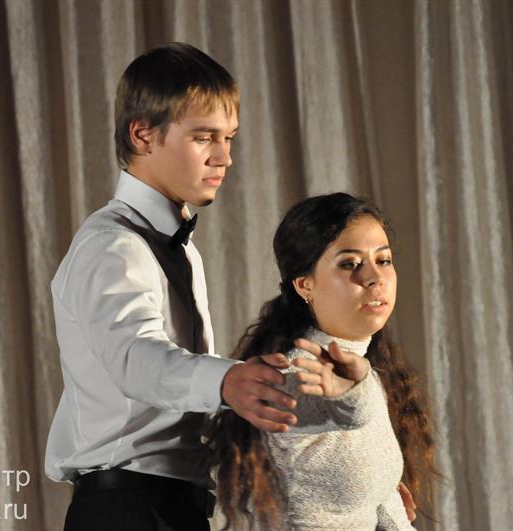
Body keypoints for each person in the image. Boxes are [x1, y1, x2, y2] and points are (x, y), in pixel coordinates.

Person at [44, 42, 300, 531]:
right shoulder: (113, 243)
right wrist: (227, 381)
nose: (224, 157)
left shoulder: (173, 244)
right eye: (204, 137)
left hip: (167, 507)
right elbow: (134, 356)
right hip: (129, 511)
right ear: (143, 135)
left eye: (229, 138)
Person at [206, 193, 437, 530]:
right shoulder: (295, 372)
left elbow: (384, 506)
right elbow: (329, 407)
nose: (375, 277)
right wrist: (350, 394)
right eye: (350, 264)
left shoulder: (364, 370)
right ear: (305, 285)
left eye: (384, 260)